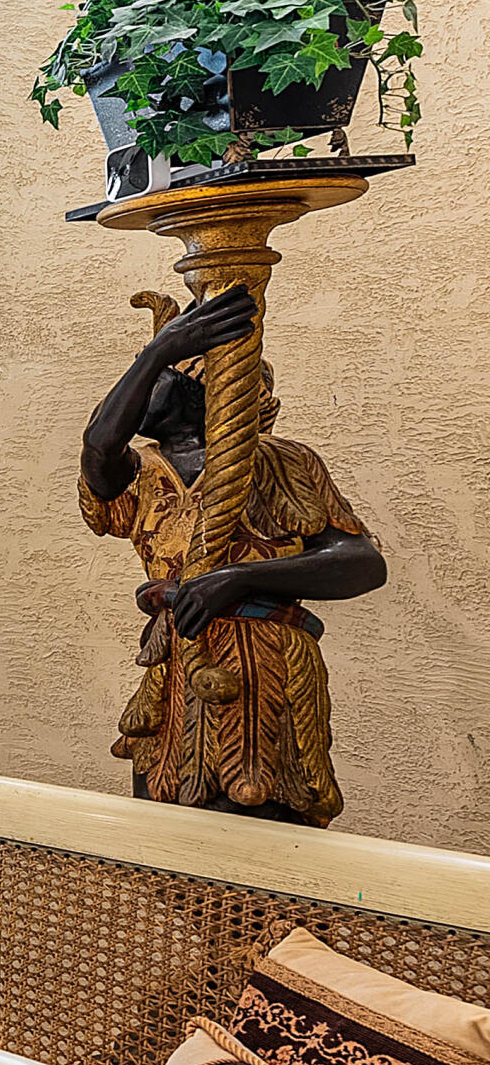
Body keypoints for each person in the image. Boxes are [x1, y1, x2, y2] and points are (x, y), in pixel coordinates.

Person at [79, 282, 385, 822]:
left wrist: (241, 578)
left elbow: (360, 562)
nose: (138, 388)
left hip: (261, 664)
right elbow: (100, 444)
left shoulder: (281, 463)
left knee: (254, 813)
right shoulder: (141, 473)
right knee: (166, 821)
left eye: (159, 377)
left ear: (205, 388)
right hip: (175, 665)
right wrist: (158, 353)